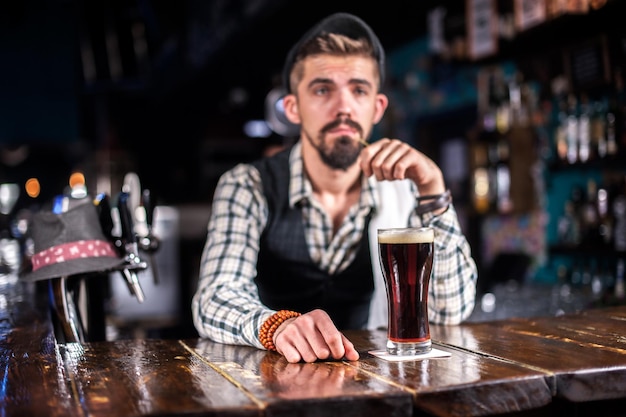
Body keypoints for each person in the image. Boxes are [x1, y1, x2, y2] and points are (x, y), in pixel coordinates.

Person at [192, 12, 478, 363]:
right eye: (323, 89)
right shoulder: (247, 184)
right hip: (270, 389)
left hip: (375, 387)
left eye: (358, 90)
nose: (343, 107)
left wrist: (433, 189)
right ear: (293, 108)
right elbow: (214, 298)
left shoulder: (403, 190)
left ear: (377, 108)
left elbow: (451, 313)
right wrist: (276, 327)